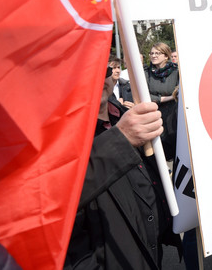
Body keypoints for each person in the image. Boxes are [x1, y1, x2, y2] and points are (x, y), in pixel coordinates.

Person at [65, 101, 181, 269]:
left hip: (153, 250)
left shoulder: (126, 113)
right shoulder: (65, 137)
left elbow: (159, 152)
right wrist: (120, 139)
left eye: (108, 72)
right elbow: (58, 198)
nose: (104, 77)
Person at [146, 43, 179, 161]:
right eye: (152, 53)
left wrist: (173, 96)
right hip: (153, 114)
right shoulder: (146, 72)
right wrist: (166, 98)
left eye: (157, 53)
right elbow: (144, 94)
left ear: (166, 56)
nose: (153, 56)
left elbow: (179, 92)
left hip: (173, 115)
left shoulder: (176, 71)